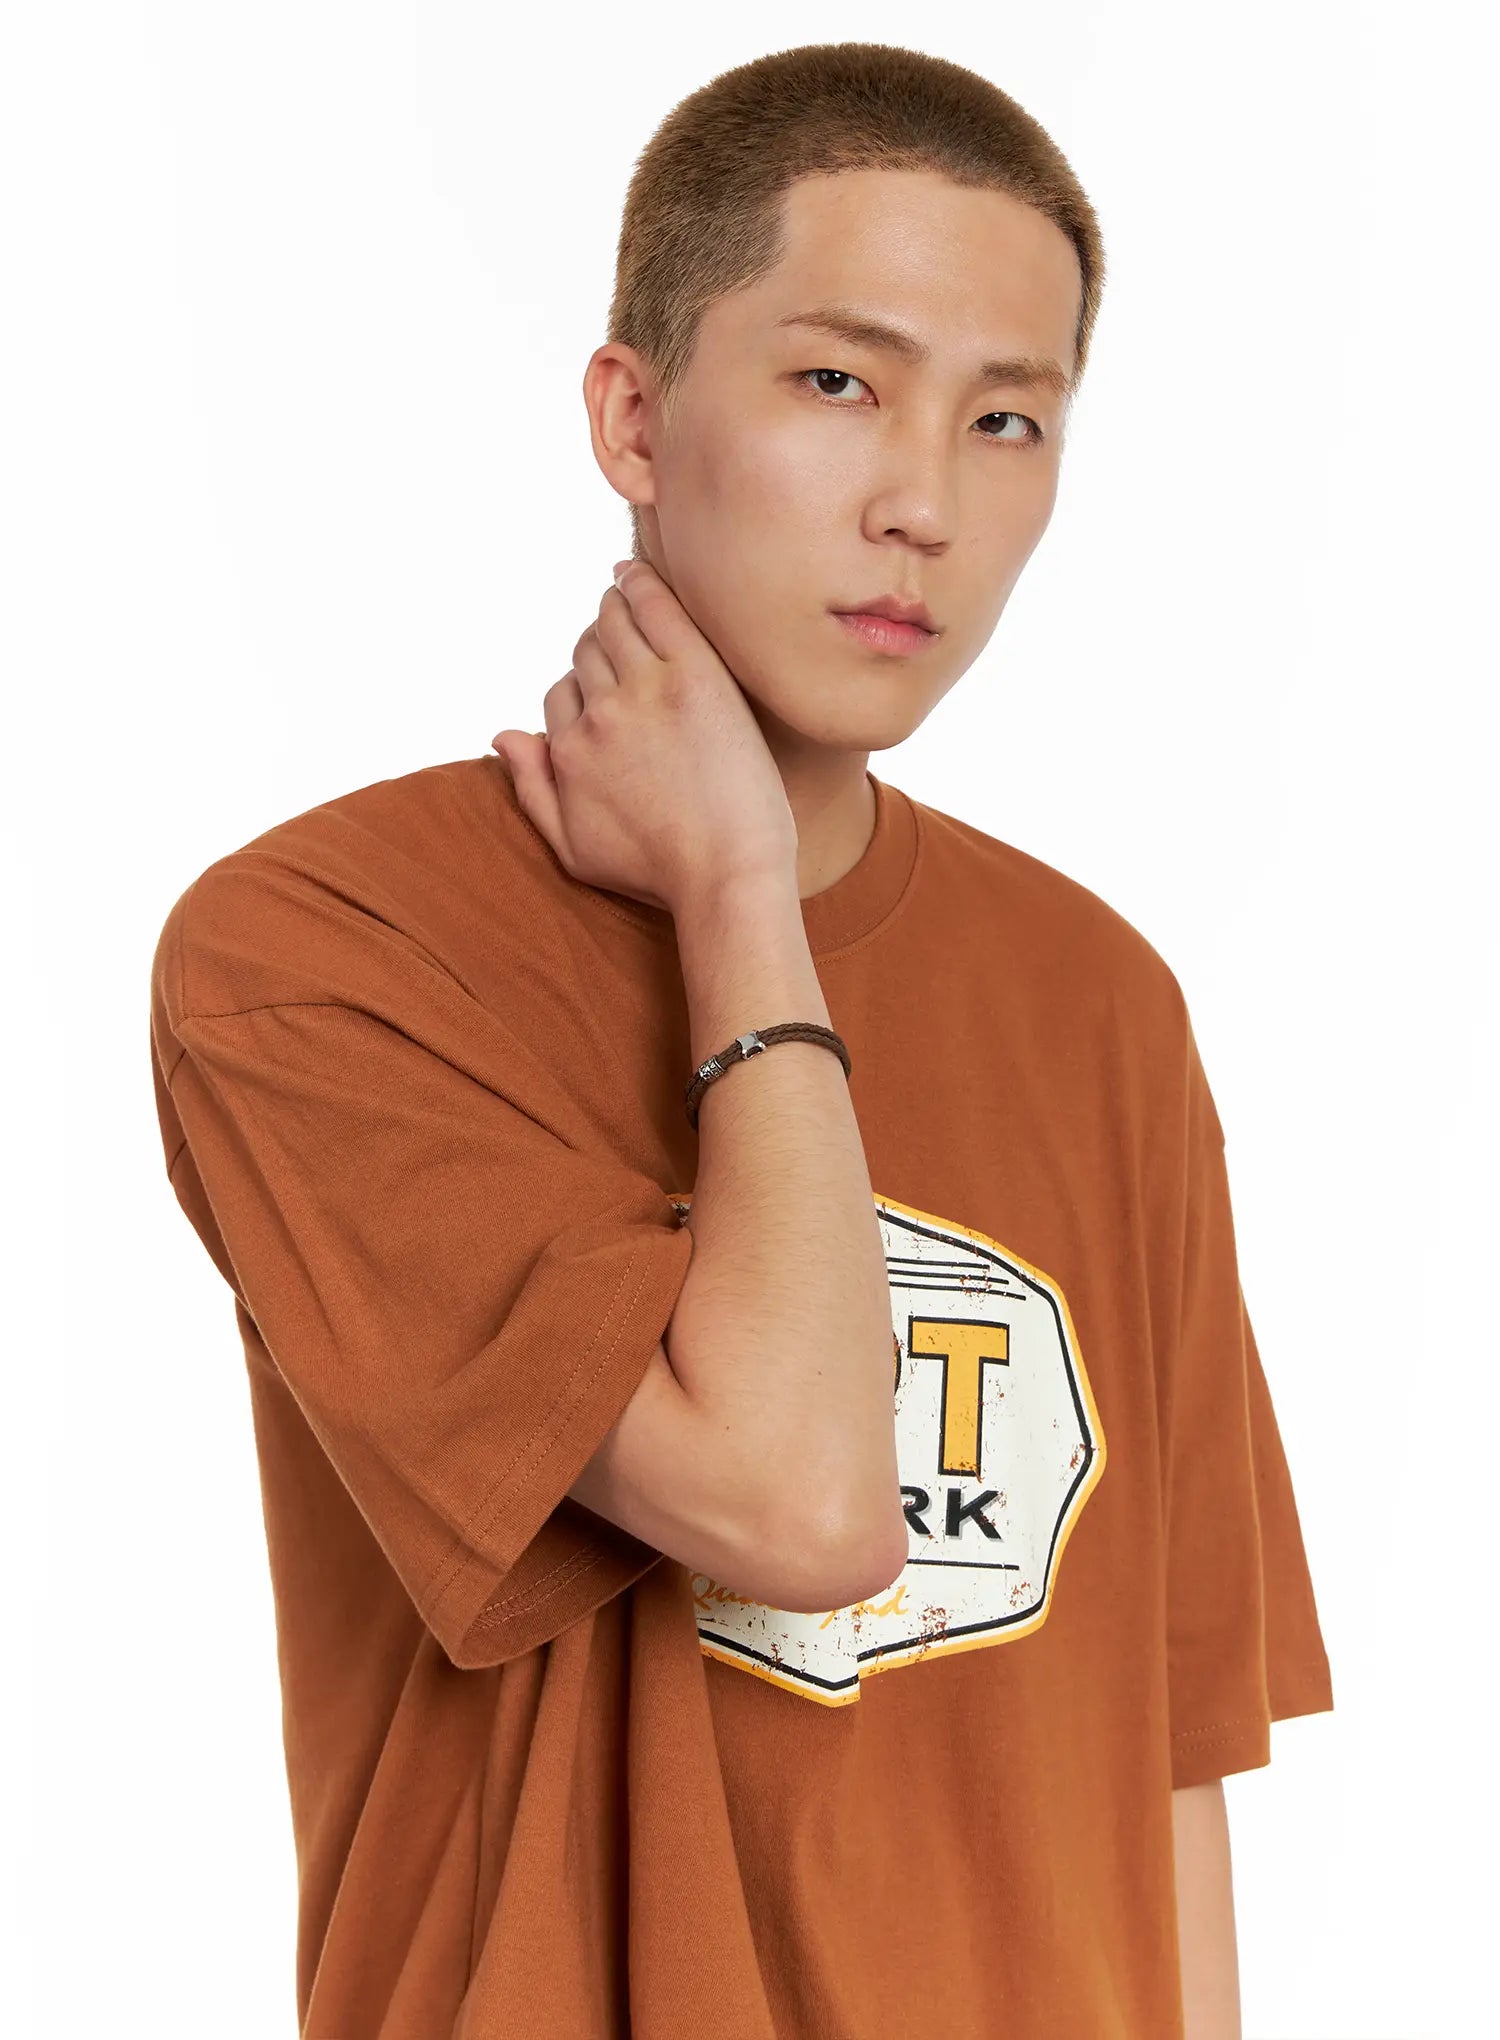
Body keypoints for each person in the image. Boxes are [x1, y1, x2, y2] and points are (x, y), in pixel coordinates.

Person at [148, 40, 1334, 2040]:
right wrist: (738, 900)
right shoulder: (325, 956)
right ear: (633, 414)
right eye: (840, 383)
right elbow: (793, 1504)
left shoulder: (1099, 1002)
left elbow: (1165, 1757)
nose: (923, 503)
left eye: (1009, 419)